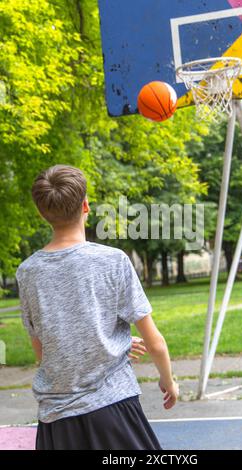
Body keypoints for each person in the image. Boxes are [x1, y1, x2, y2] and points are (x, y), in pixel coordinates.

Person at [16, 164, 179, 450]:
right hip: (113, 409)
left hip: (56, 422)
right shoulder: (113, 261)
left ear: (42, 213)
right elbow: (156, 343)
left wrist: (115, 342)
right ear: (86, 205)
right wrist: (169, 381)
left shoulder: (27, 272)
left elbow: (44, 352)